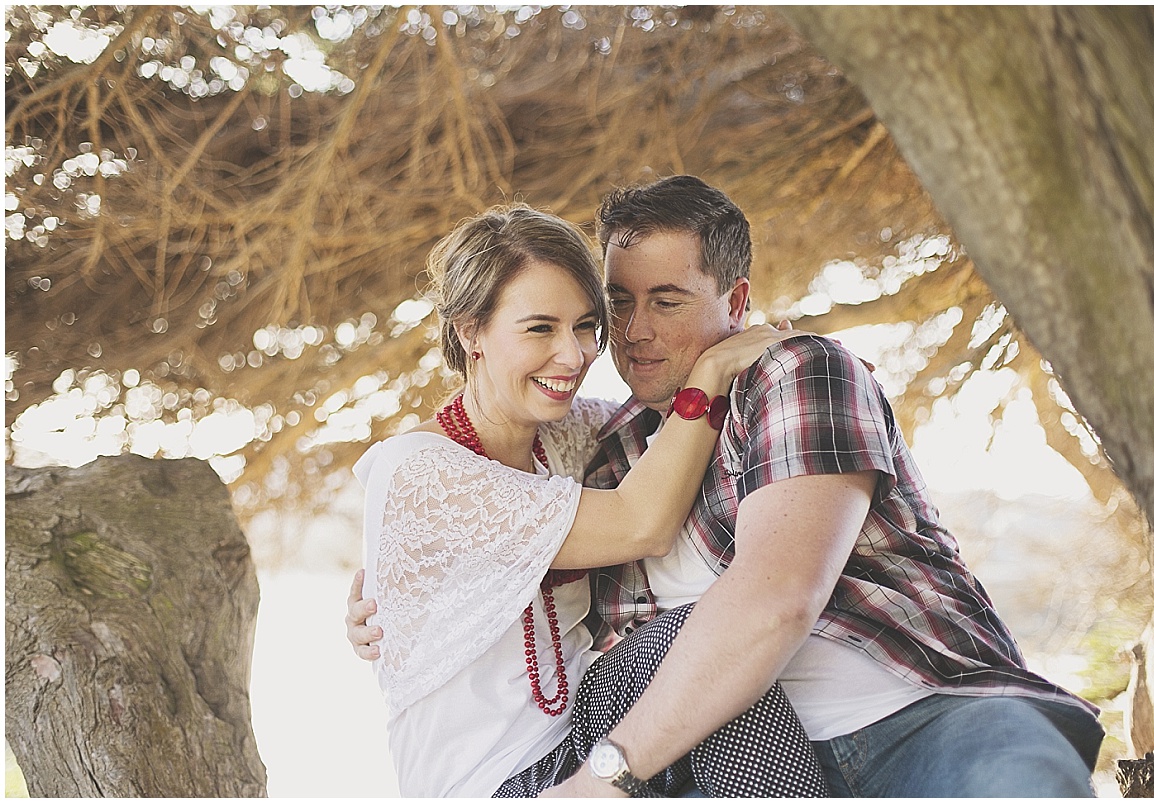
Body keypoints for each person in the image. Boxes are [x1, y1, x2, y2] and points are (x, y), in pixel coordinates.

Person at [351, 178, 1106, 797]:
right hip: (664, 763)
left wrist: (601, 779)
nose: (622, 336)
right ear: (470, 329)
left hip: (909, 718)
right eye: (618, 306)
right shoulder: (608, 444)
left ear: (737, 303)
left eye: (667, 301)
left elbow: (775, 596)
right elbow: (476, 513)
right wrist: (390, 581)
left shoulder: (787, 376)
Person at [352, 202, 827, 798]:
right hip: (495, 781)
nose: (573, 356)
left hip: (589, 734)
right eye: (540, 328)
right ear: (471, 331)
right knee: (695, 639)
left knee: (714, 660)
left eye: (584, 326)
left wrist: (752, 348)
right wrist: (711, 369)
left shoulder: (572, 436)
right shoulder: (418, 470)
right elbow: (641, 522)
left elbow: (668, 426)